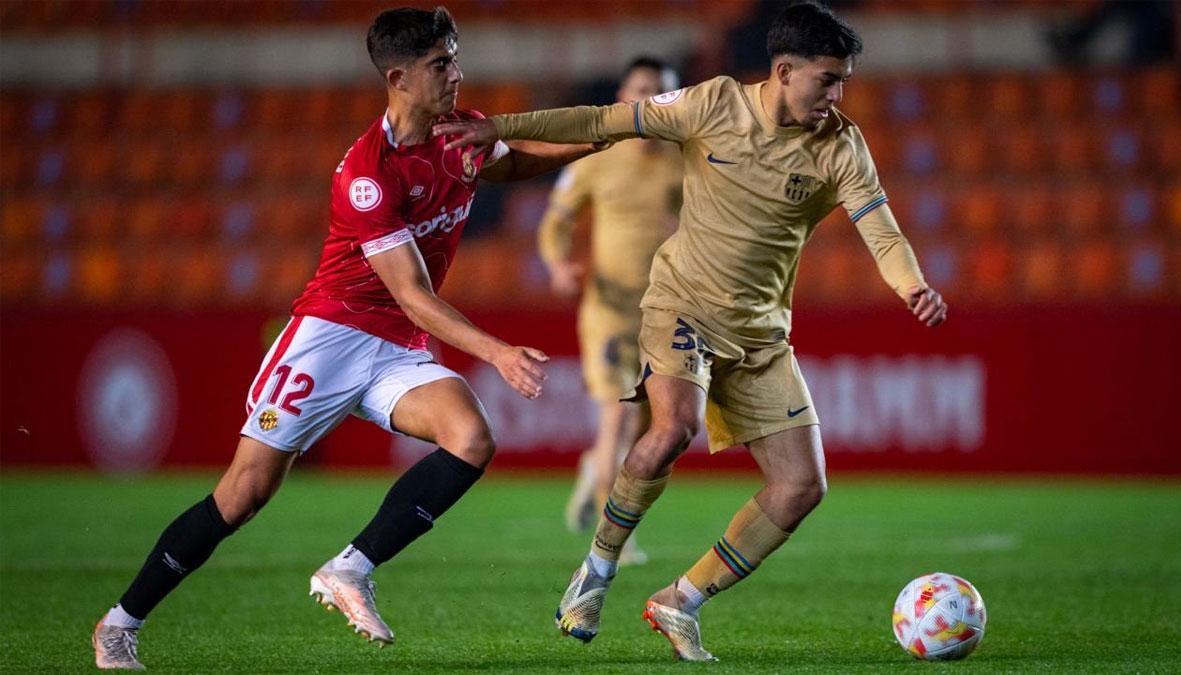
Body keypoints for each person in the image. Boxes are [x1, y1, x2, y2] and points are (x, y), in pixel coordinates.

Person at [435, 0, 947, 662]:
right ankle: (596, 570)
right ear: (784, 71)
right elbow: (601, 121)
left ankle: (681, 598)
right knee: (672, 427)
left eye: (843, 81)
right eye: (827, 80)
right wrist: (499, 127)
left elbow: (882, 231)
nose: (837, 96)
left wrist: (912, 285)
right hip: (683, 305)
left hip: (761, 335)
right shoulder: (712, 105)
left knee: (801, 486)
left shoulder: (841, 146)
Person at [91, 7, 601, 670]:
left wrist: (603, 139)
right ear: (398, 78)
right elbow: (412, 293)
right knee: (244, 494)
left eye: (455, 59)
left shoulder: (459, 133)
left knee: (471, 437)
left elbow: (514, 165)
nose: (457, 74)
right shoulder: (369, 174)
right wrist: (497, 351)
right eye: (440, 64)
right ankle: (120, 623)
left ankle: (351, 567)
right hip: (330, 338)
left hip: (395, 347)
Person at [537, 57, 683, 566]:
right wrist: (557, 265)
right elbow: (556, 221)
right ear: (623, 98)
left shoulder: (686, 158)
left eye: (662, 93)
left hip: (663, 311)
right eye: (642, 91)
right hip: (609, 310)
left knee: (651, 429)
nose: (651, 102)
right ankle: (613, 539)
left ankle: (593, 468)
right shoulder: (595, 157)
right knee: (618, 416)